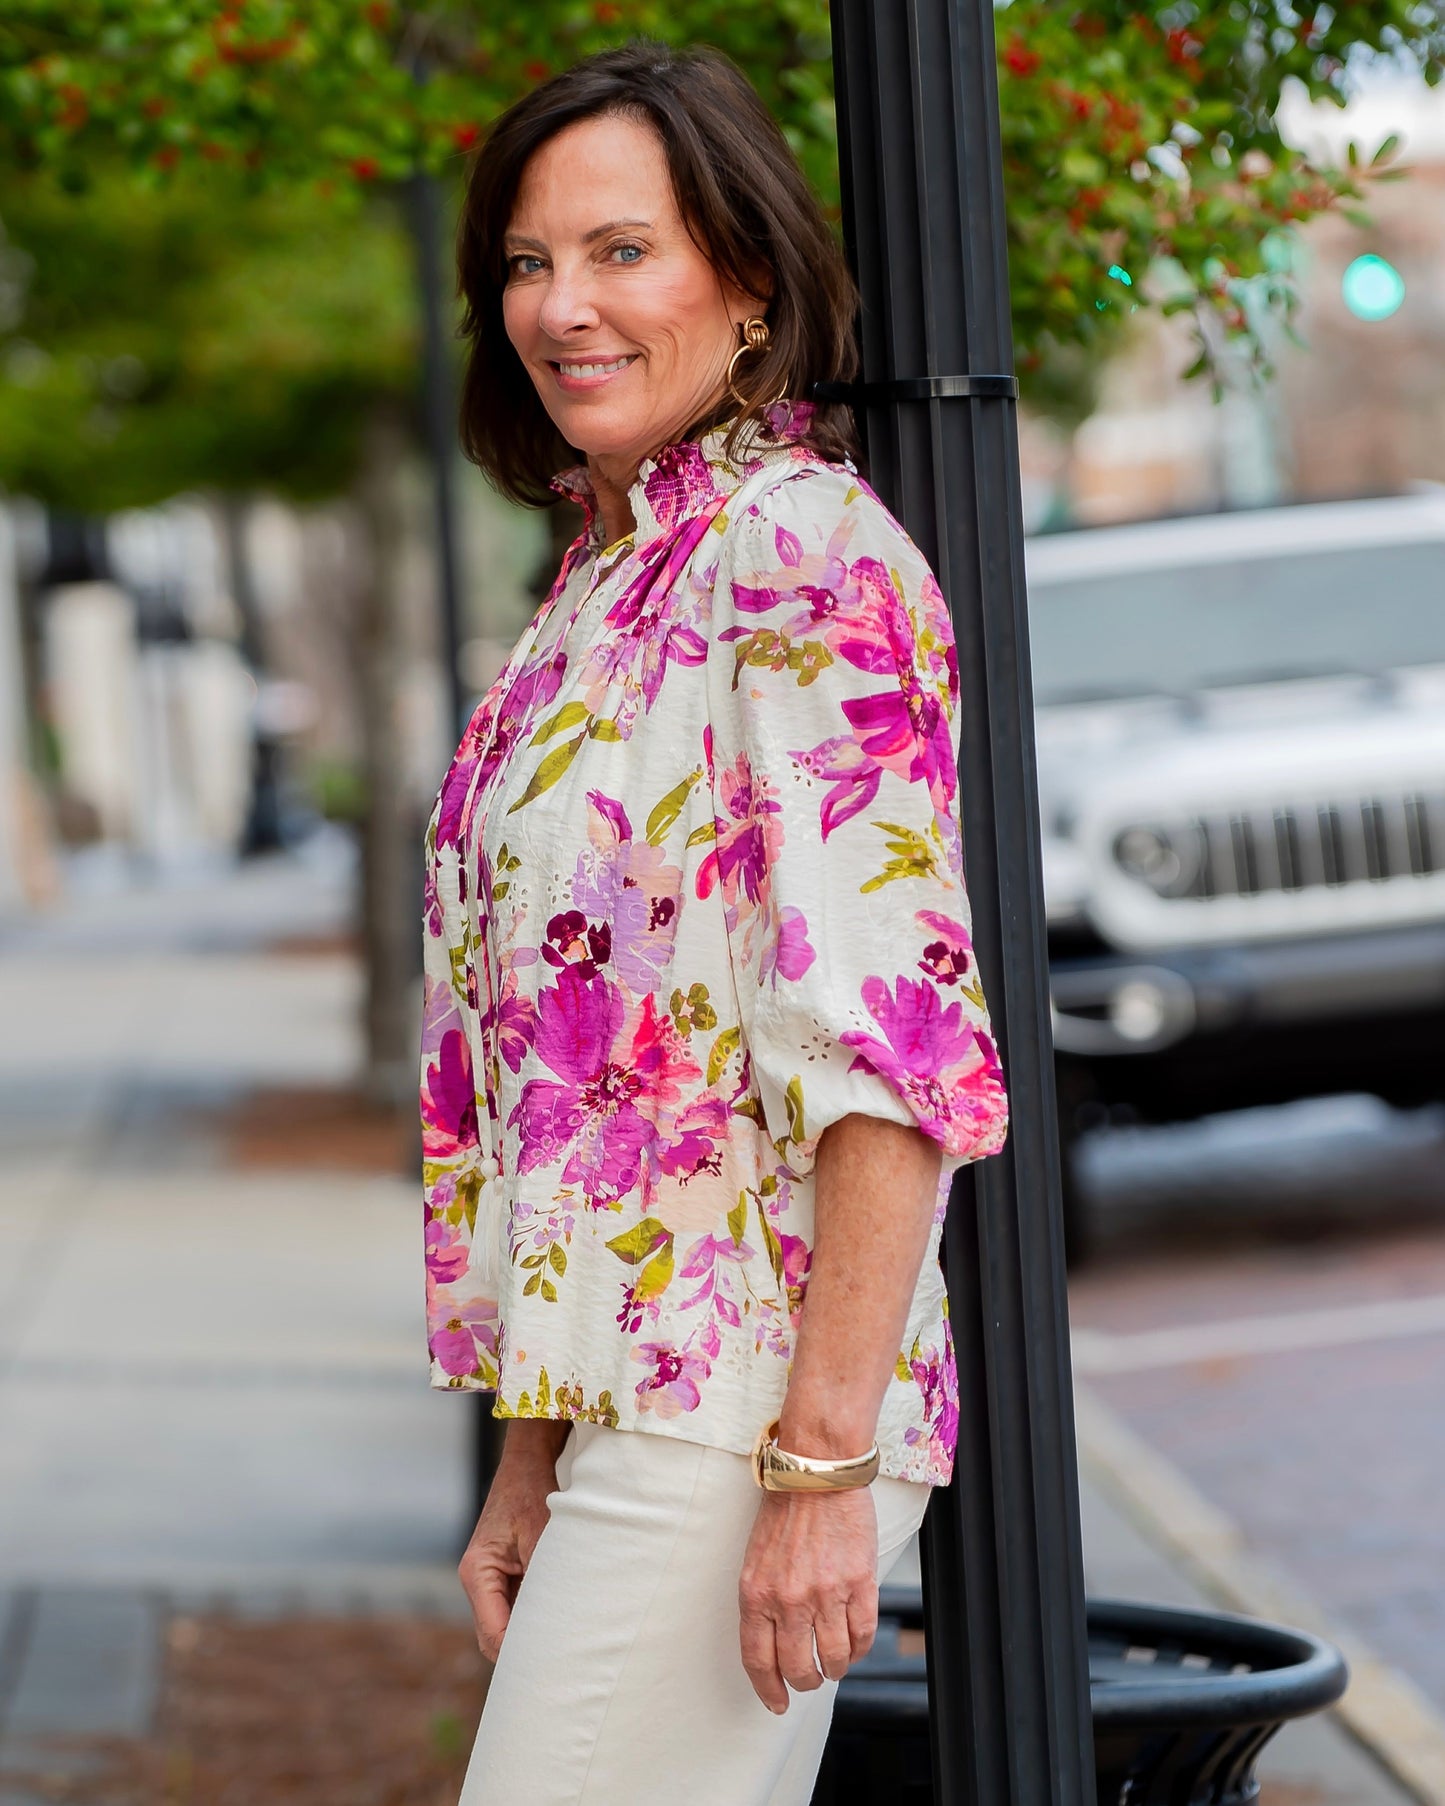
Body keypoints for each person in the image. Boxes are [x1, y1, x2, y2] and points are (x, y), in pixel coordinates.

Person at [419, 40, 1009, 1806]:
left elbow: (893, 1057)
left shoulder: (799, 556)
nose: (561, 306)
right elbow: (571, 1094)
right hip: (625, 1398)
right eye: (529, 262)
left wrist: (822, 1471)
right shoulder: (599, 589)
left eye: (622, 251)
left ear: (746, 287)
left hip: (748, 1410)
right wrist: (528, 1460)